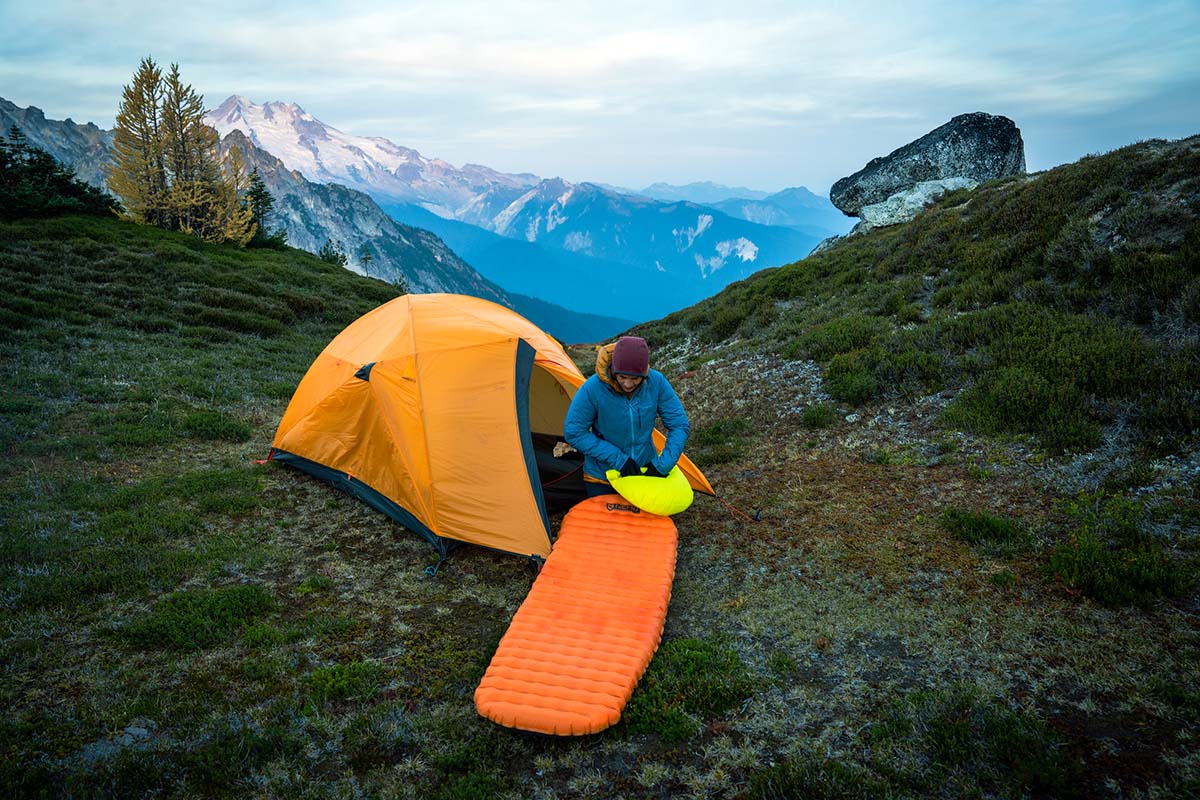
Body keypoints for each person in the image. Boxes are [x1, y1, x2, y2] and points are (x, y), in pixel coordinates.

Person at [563, 335, 691, 498]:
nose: (628, 384)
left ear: (644, 373)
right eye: (622, 377)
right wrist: (618, 459)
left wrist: (661, 466)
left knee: (644, 523)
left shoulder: (656, 383)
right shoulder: (592, 388)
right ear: (613, 369)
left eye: (635, 378)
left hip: (643, 472)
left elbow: (679, 425)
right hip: (603, 477)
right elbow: (574, 432)